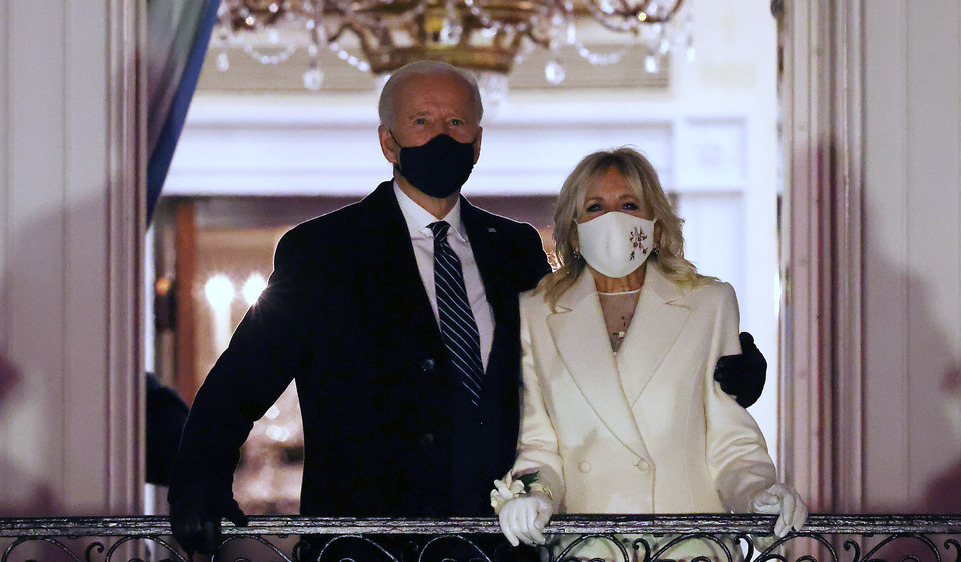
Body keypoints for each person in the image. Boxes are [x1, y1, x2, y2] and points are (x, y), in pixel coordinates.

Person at [167, 61, 768, 557]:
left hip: (496, 547)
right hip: (367, 548)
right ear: (388, 141)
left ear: (479, 140)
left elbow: (589, 351)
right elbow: (241, 379)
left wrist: (734, 365)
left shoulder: (515, 250)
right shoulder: (323, 251)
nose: (441, 137)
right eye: (422, 122)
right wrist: (197, 482)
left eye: (457, 122)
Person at [492, 147, 806, 560]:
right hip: (591, 552)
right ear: (573, 232)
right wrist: (534, 496)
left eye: (628, 205)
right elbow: (539, 444)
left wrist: (759, 494)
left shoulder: (707, 303)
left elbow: (730, 444)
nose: (613, 219)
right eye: (595, 207)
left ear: (655, 226)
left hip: (687, 548)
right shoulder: (537, 312)